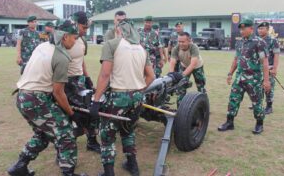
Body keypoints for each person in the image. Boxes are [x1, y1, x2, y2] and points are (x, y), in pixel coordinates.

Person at [8, 20, 88, 176]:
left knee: (43, 133)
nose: (76, 41)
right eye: (74, 37)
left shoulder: (42, 46)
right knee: (66, 134)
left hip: (22, 96)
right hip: (37, 99)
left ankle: (19, 167)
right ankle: (68, 173)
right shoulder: (62, 56)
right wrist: (72, 114)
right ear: (65, 37)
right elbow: (58, 92)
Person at [90, 20, 155, 176]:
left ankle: (109, 172)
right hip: (137, 97)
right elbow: (151, 76)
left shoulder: (111, 44)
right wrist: (137, 91)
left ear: (119, 30)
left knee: (107, 135)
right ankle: (133, 166)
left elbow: (105, 75)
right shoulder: (141, 48)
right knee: (128, 130)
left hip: (118, 96)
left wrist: (96, 100)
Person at [218, 19, 270, 135]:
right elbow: (236, 59)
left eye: (244, 28)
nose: (241, 31)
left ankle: (259, 124)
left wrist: (266, 81)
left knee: (256, 102)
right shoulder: (239, 42)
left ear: (251, 29)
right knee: (233, 99)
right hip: (239, 77)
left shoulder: (259, 42)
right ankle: (229, 122)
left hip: (254, 79)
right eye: (240, 29)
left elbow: (265, 62)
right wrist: (230, 73)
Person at [65, 11, 100, 153]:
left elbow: (81, 60)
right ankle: (63, 149)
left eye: (87, 28)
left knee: (89, 111)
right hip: (65, 82)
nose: (85, 31)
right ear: (75, 24)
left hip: (79, 80)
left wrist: (87, 78)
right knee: (67, 114)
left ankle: (91, 141)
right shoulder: (65, 39)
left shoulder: (82, 41)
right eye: (83, 28)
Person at [169, 32, 206, 106]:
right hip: (184, 65)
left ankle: (204, 106)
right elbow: (172, 62)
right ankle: (180, 108)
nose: (181, 44)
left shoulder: (194, 47)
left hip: (197, 67)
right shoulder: (176, 48)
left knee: (200, 87)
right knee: (181, 86)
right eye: (179, 41)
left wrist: (182, 75)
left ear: (189, 41)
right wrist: (171, 76)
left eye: (183, 42)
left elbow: (193, 65)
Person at [257, 22, 280, 114]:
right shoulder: (257, 40)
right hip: (258, 69)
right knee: (258, 87)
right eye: (259, 28)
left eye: (262, 28)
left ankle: (269, 106)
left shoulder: (273, 41)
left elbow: (276, 55)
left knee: (268, 87)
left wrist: (274, 68)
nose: (260, 30)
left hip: (269, 68)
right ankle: (258, 104)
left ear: (267, 29)